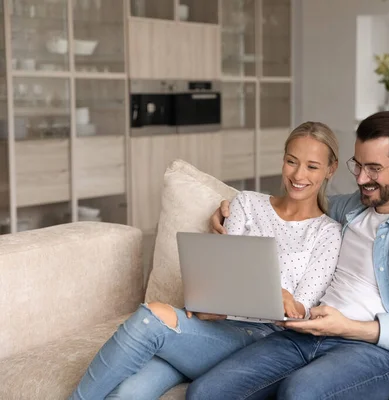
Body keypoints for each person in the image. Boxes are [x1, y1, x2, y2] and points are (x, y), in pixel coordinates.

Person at [193, 111, 389, 400]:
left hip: (376, 352)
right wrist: (228, 207)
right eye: (357, 165)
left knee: (300, 393)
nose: (361, 179)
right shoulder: (348, 208)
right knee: (206, 392)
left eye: (373, 168)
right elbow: (291, 204)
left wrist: (348, 327)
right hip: (306, 334)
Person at [69, 121, 343, 400]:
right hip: (211, 325)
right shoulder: (246, 203)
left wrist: (279, 296)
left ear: (330, 170)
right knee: (129, 393)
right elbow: (220, 271)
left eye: (312, 166)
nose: (298, 174)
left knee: (151, 318)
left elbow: (301, 312)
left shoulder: (327, 233)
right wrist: (208, 301)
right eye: (291, 162)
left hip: (263, 341)